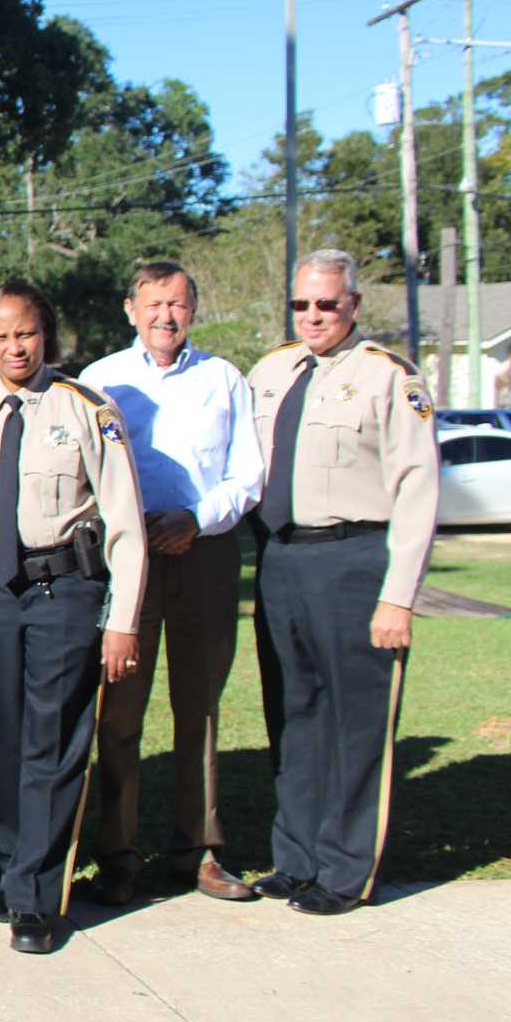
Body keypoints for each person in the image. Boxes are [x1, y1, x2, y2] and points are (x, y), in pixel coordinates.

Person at [0, 282, 145, 955]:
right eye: (0, 336)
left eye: (25, 333)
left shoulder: (88, 408)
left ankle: (37, 896)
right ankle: (10, 868)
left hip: (67, 588)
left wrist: (124, 620)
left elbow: (125, 524)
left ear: (47, 335)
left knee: (52, 744)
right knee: (3, 742)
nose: (14, 346)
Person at [248, 249, 437, 917]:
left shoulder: (391, 377)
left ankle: (348, 868)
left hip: (356, 559)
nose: (313, 315)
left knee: (356, 723)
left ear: (354, 303)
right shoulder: (271, 371)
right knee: (293, 716)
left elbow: (419, 486)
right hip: (281, 561)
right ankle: (296, 858)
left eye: (327, 303)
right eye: (302, 303)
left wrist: (399, 595)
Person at [78, 262, 264, 905]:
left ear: (194, 309)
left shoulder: (224, 380)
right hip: (130, 562)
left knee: (201, 708)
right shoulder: (101, 381)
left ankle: (199, 849)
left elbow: (247, 476)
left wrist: (197, 519)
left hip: (205, 556)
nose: (166, 315)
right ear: (131, 308)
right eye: (154, 303)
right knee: (120, 710)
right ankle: (118, 851)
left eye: (178, 303)